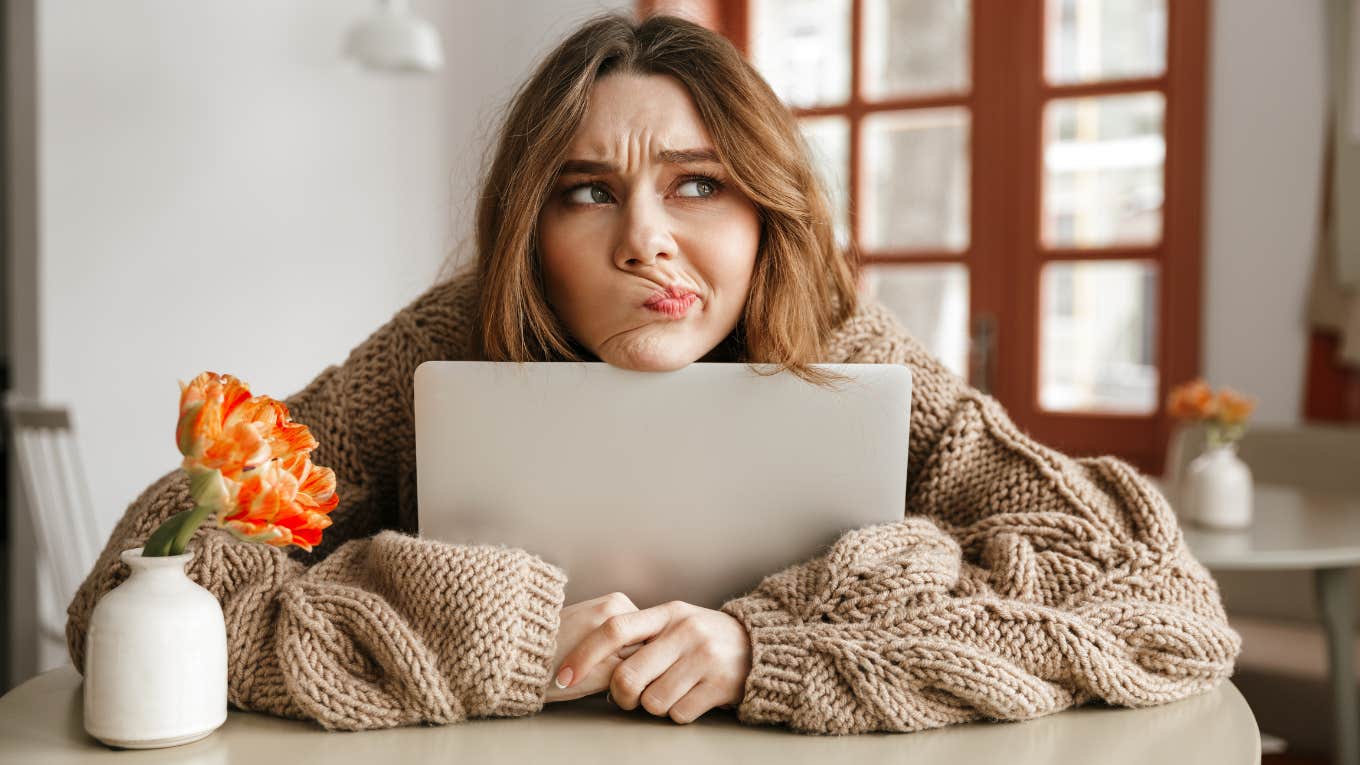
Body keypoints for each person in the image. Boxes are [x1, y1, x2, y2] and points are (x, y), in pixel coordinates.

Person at [65, 12, 1241, 735]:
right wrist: (494, 636)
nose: (644, 240)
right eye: (588, 191)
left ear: (765, 212)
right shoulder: (443, 343)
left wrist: (772, 653)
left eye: (696, 183)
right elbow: (135, 594)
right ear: (531, 229)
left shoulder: (841, 345)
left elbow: (1157, 608)